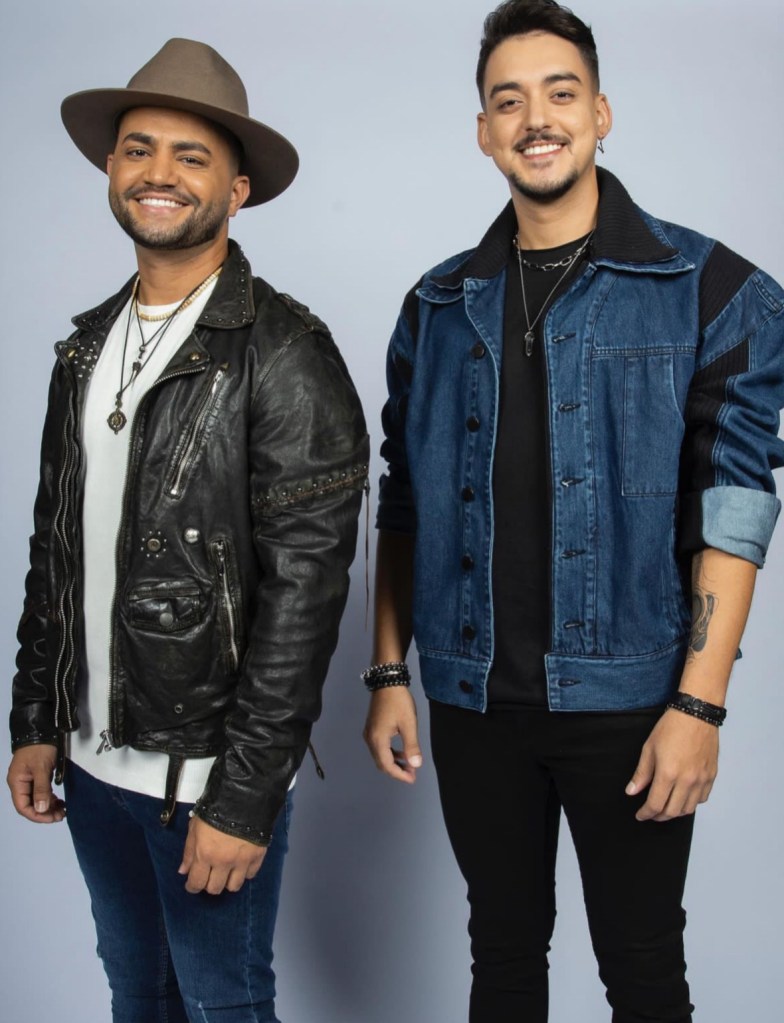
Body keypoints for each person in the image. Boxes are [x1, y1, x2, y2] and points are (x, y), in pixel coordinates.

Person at [363, 2, 784, 1020]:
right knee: (502, 960)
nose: (535, 118)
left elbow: (735, 508)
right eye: (508, 101)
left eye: (560, 93)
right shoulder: (435, 306)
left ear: (600, 113)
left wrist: (698, 709)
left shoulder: (712, 289)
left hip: (633, 703)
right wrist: (388, 672)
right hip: (473, 702)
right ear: (484, 131)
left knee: (643, 973)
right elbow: (404, 498)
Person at [7, 37, 368, 1023]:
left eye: (190, 155)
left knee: (222, 1006)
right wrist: (36, 719)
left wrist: (243, 796)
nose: (157, 173)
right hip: (91, 765)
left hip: (201, 776)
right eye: (138, 148)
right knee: (138, 997)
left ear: (236, 190)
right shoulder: (85, 347)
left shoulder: (285, 352)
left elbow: (305, 597)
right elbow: (56, 549)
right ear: (111, 168)